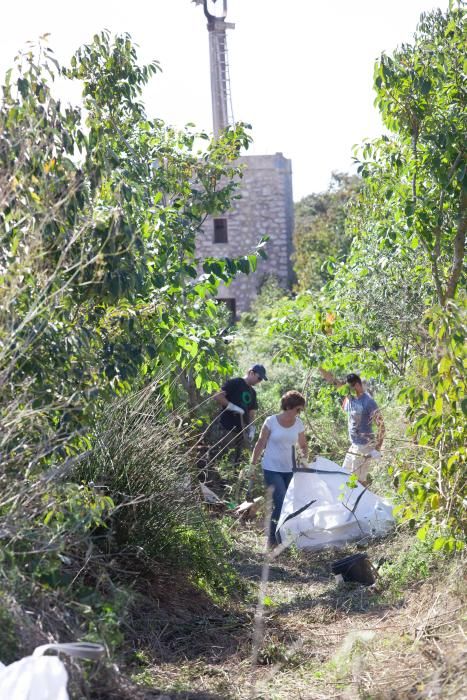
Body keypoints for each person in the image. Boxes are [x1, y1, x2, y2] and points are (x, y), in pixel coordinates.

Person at [250, 390, 308, 547]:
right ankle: (271, 540)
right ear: (288, 407)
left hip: (290, 469)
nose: (299, 413)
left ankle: (282, 536)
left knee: (287, 504)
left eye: (300, 410)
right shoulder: (271, 421)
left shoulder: (299, 424)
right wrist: (253, 464)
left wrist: (304, 461)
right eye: (298, 409)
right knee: (281, 500)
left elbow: (303, 445)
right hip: (271, 467)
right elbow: (261, 442)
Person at [319, 369, 385, 485]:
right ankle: (351, 502)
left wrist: (377, 448)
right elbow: (333, 381)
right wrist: (319, 367)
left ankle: (364, 503)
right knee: (344, 475)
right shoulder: (350, 398)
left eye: (352, 387)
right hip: (354, 445)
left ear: (358, 385)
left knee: (358, 482)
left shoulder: (368, 402)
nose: (349, 391)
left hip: (364, 446)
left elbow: (381, 426)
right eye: (348, 388)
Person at [212, 364, 268, 464]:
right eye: (259, 378)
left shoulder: (253, 392)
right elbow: (217, 396)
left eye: (261, 380)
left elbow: (252, 413)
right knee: (226, 460)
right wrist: (233, 407)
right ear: (251, 373)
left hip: (242, 432)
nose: (259, 381)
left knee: (240, 462)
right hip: (227, 429)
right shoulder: (235, 383)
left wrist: (252, 427)